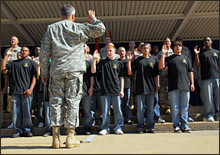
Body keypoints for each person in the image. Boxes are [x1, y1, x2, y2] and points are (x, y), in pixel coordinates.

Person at [39, 4, 105, 149]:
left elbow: (43, 53)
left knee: (55, 102)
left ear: (61, 15)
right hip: (74, 71)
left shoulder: (52, 28)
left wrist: (44, 73)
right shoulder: (79, 27)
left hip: (56, 70)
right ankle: (70, 137)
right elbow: (101, 30)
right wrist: (93, 18)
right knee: (72, 102)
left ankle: (55, 138)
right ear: (73, 16)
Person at [159, 41, 195, 133]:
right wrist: (163, 54)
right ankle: (176, 126)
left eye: (180, 46)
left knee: (184, 107)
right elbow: (161, 66)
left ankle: (185, 126)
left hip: (185, 86)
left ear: (182, 47)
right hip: (173, 86)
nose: (178, 47)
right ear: (173, 48)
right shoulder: (170, 58)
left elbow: (190, 71)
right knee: (175, 108)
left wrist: (192, 83)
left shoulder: (186, 58)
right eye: (176, 46)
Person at [1, 47, 37, 137]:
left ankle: (27, 130)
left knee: (27, 112)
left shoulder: (32, 63)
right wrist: (7, 55)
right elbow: (3, 68)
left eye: (25, 51)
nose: (23, 52)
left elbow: (34, 77)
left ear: (29, 53)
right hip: (16, 92)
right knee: (16, 113)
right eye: (22, 50)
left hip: (27, 92)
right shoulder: (13, 63)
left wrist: (30, 89)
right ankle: (18, 130)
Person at [91, 44, 125, 135]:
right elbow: (93, 71)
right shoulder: (102, 63)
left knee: (118, 111)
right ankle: (105, 128)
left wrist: (122, 90)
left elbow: (121, 78)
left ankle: (118, 127)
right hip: (104, 91)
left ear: (114, 51)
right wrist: (94, 60)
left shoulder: (119, 63)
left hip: (116, 90)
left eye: (110, 51)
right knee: (105, 112)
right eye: (107, 51)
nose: (109, 53)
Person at [127, 43, 160, 134]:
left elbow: (157, 74)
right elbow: (130, 72)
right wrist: (129, 61)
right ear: (141, 50)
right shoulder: (137, 60)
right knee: (140, 110)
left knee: (150, 109)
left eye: (147, 48)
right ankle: (140, 126)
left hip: (151, 88)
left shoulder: (154, 59)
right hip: (140, 88)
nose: (145, 50)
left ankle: (150, 126)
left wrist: (157, 86)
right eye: (144, 48)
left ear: (150, 49)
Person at [194, 37, 219, 122]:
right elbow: (197, 65)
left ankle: (218, 115)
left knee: (218, 97)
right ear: (203, 43)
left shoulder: (216, 52)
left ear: (211, 42)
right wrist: (196, 54)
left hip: (217, 78)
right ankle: (209, 115)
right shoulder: (202, 53)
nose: (207, 42)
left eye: (208, 40)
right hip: (206, 78)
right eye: (205, 41)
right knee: (208, 98)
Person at [158, 37, 174, 115]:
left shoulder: (174, 52)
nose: (167, 43)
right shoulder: (160, 53)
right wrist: (159, 75)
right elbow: (158, 65)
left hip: (172, 75)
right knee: (163, 91)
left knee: (170, 91)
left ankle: (170, 107)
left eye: (168, 42)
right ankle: (164, 107)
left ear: (170, 43)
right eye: (165, 42)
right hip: (163, 75)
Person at [118, 47, 133, 124]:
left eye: (123, 51)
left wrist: (129, 61)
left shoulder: (128, 61)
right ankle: (120, 119)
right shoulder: (116, 61)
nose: (121, 52)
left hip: (127, 84)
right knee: (119, 104)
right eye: (120, 51)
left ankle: (128, 118)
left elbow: (130, 73)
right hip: (117, 85)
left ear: (125, 52)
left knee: (127, 103)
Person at [81, 51, 94, 135]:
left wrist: (91, 87)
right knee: (75, 110)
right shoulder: (74, 62)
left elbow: (91, 76)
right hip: (75, 90)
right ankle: (75, 127)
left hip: (86, 89)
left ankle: (87, 127)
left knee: (87, 110)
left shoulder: (89, 63)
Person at [151, 45, 165, 123]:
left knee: (155, 101)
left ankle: (157, 116)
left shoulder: (155, 59)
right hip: (145, 84)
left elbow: (157, 72)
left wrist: (157, 84)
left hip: (153, 83)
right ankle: (147, 118)